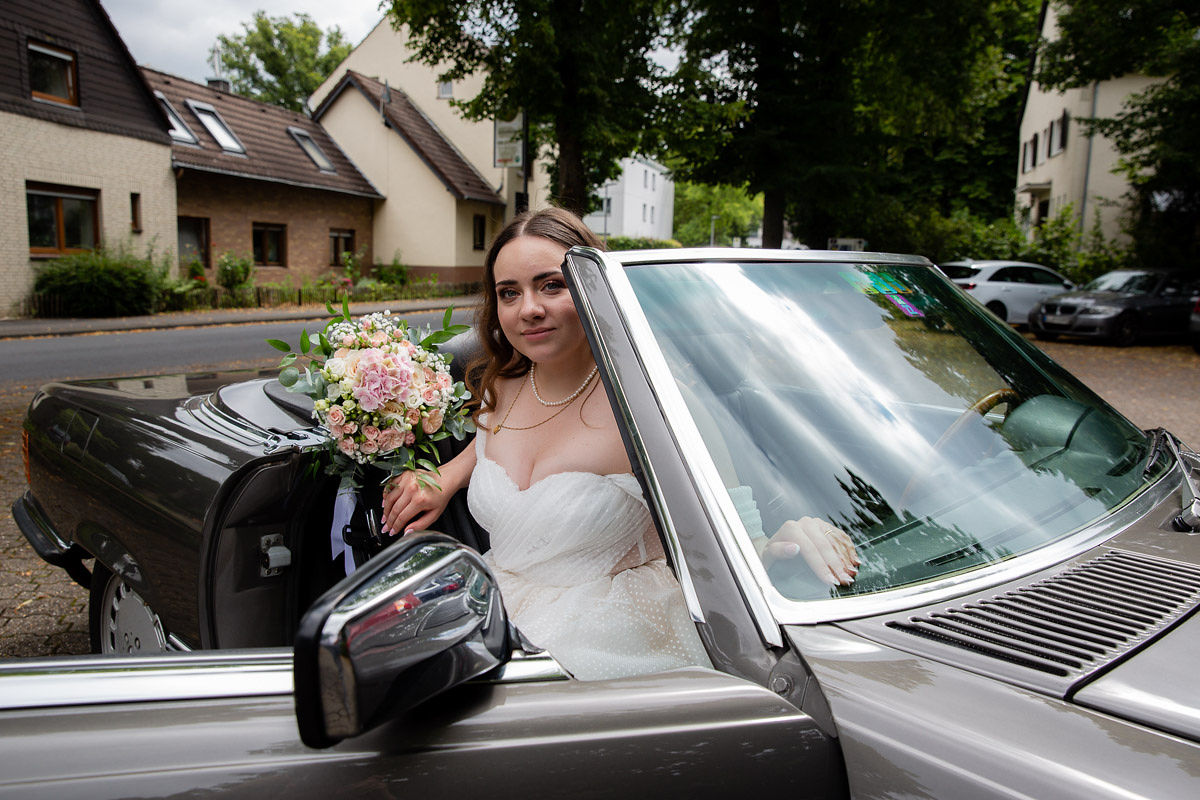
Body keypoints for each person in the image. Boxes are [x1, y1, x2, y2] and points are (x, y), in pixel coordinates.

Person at [380, 208, 858, 680]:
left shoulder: (651, 406)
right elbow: (494, 446)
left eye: (552, 285)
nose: (529, 309)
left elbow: (738, 540)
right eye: (510, 293)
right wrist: (445, 476)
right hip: (498, 605)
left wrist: (785, 542)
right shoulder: (500, 387)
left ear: (595, 291)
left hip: (611, 635)